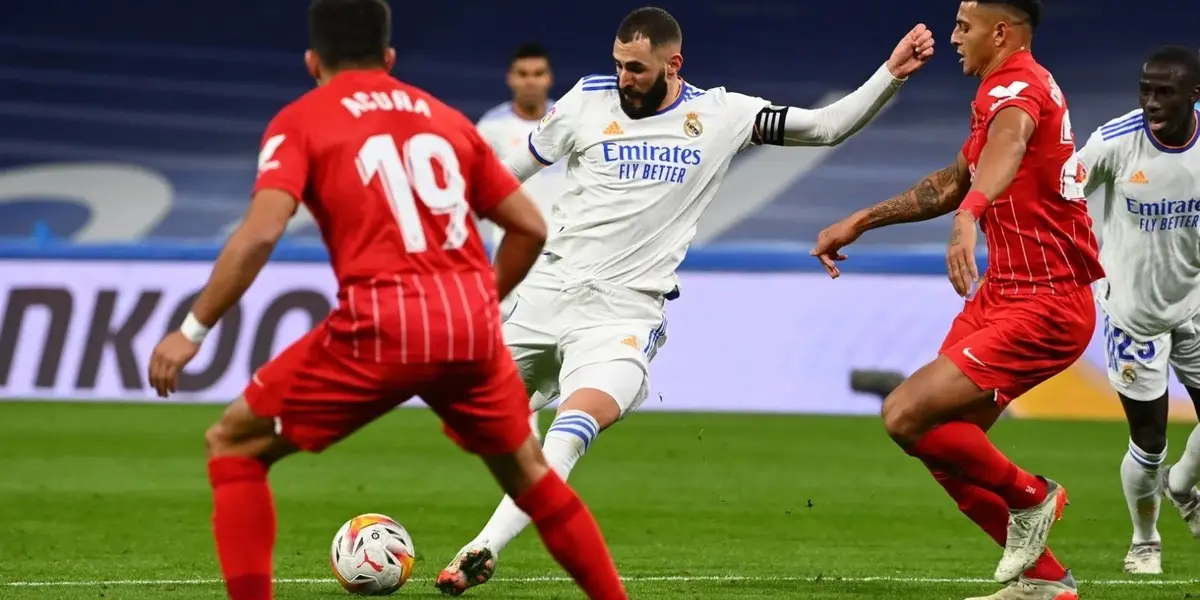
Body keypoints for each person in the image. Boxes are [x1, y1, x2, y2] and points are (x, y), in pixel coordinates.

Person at [435, 5, 935, 595]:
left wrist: (890, 75)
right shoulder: (585, 101)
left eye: (638, 69)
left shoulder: (721, 114)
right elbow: (503, 175)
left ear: (674, 64)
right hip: (543, 298)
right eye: (619, 65)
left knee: (568, 431)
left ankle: (481, 550)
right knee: (460, 415)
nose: (624, 79)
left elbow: (826, 126)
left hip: (623, 316)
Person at [145, 1, 627, 598]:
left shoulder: (302, 119)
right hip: (468, 330)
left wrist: (191, 330)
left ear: (312, 60)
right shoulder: (445, 119)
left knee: (234, 446)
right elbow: (529, 226)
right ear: (390, 57)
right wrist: (482, 303)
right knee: (531, 475)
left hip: (380, 325)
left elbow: (262, 231)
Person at [810, 1, 1098, 599]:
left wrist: (972, 215)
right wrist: (861, 220)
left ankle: (1034, 494)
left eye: (964, 27)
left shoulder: (1018, 88)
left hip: (1046, 301)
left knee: (903, 412)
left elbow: (1010, 146)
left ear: (1001, 32)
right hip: (1005, 293)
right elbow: (954, 180)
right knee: (940, 446)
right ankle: (1047, 585)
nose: (954, 37)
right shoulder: (999, 90)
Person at [1076, 46, 1200, 576]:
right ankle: (1144, 540)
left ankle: (1182, 484)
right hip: (1134, 315)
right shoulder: (1114, 141)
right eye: (1145, 89)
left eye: (1164, 92)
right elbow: (1061, 193)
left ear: (1193, 94)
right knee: (1150, 440)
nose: (1151, 101)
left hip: (1195, 303)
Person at [474, 42, 565, 438]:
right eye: (523, 74)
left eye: (538, 74)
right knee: (517, 361)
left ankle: (557, 442)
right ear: (512, 78)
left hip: (569, 259)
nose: (531, 82)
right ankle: (528, 449)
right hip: (515, 263)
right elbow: (473, 196)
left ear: (549, 78)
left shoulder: (569, 119)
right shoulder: (491, 129)